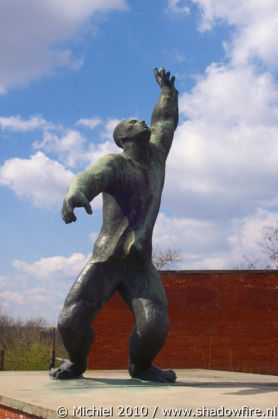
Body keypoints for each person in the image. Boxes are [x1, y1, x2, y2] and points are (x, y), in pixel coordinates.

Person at [50, 67, 179, 382]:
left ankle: (141, 366)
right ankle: (77, 363)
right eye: (133, 123)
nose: (141, 122)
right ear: (122, 138)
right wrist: (75, 194)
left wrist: (166, 92)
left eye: (141, 120)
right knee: (70, 322)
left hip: (139, 264)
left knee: (154, 327)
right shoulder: (115, 162)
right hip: (106, 259)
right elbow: (87, 177)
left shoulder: (157, 157)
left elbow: (165, 121)